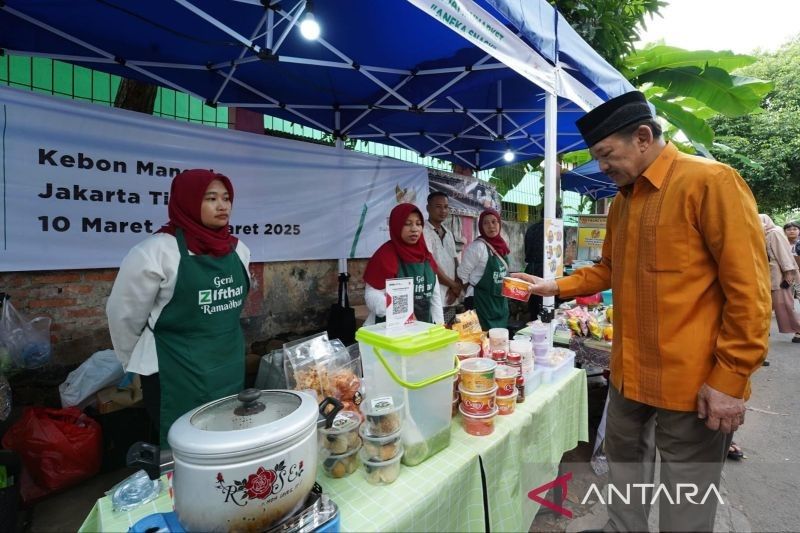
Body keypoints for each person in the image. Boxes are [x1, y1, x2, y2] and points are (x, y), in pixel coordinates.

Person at [513, 91, 771, 532]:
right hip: (629, 375)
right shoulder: (623, 202)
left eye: (607, 155)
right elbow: (608, 268)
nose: (603, 167)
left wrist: (730, 379)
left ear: (644, 137)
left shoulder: (710, 182)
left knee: (686, 498)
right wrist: (554, 285)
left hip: (692, 383)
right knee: (623, 469)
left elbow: (750, 291)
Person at [107, 169, 250, 446]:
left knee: (226, 438)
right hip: (174, 371)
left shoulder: (238, 249)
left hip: (227, 364)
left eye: (226, 198)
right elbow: (123, 315)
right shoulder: (155, 252)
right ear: (187, 201)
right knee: (184, 448)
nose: (222, 206)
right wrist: (135, 362)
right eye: (211, 198)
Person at [363, 203, 443, 325]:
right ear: (396, 225)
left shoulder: (426, 255)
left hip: (424, 330)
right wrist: (403, 313)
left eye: (418, 223)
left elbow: (435, 297)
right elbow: (372, 295)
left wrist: (440, 327)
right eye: (407, 224)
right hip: (389, 331)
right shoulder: (385, 255)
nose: (414, 229)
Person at [457, 208, 510, 330]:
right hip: (481, 303)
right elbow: (462, 274)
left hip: (499, 303)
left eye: (494, 222)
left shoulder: (502, 245)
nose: (491, 226)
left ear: (499, 224)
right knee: (481, 340)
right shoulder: (477, 247)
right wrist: (468, 296)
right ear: (481, 226)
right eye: (486, 223)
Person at [423, 192, 462, 323]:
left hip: (451, 294)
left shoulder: (448, 232)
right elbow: (431, 264)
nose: (443, 211)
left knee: (450, 332)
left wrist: (455, 287)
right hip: (435, 294)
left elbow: (455, 260)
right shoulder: (423, 231)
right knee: (437, 330)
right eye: (438, 206)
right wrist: (454, 286)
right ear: (428, 208)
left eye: (446, 207)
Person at [762, 214, 800, 344]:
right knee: (767, 306)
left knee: (784, 304)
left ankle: (798, 329)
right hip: (769, 275)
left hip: (780, 276)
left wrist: (788, 273)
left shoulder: (774, 234)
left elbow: (784, 254)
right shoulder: (764, 234)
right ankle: (762, 332)